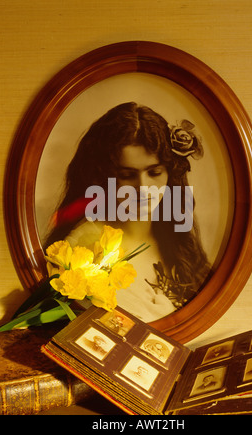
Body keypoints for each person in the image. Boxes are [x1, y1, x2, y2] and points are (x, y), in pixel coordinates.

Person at [44, 102, 211, 322]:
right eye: (127, 175)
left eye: (154, 172)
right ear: (105, 177)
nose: (143, 188)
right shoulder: (85, 248)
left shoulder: (176, 237)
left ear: (170, 173)